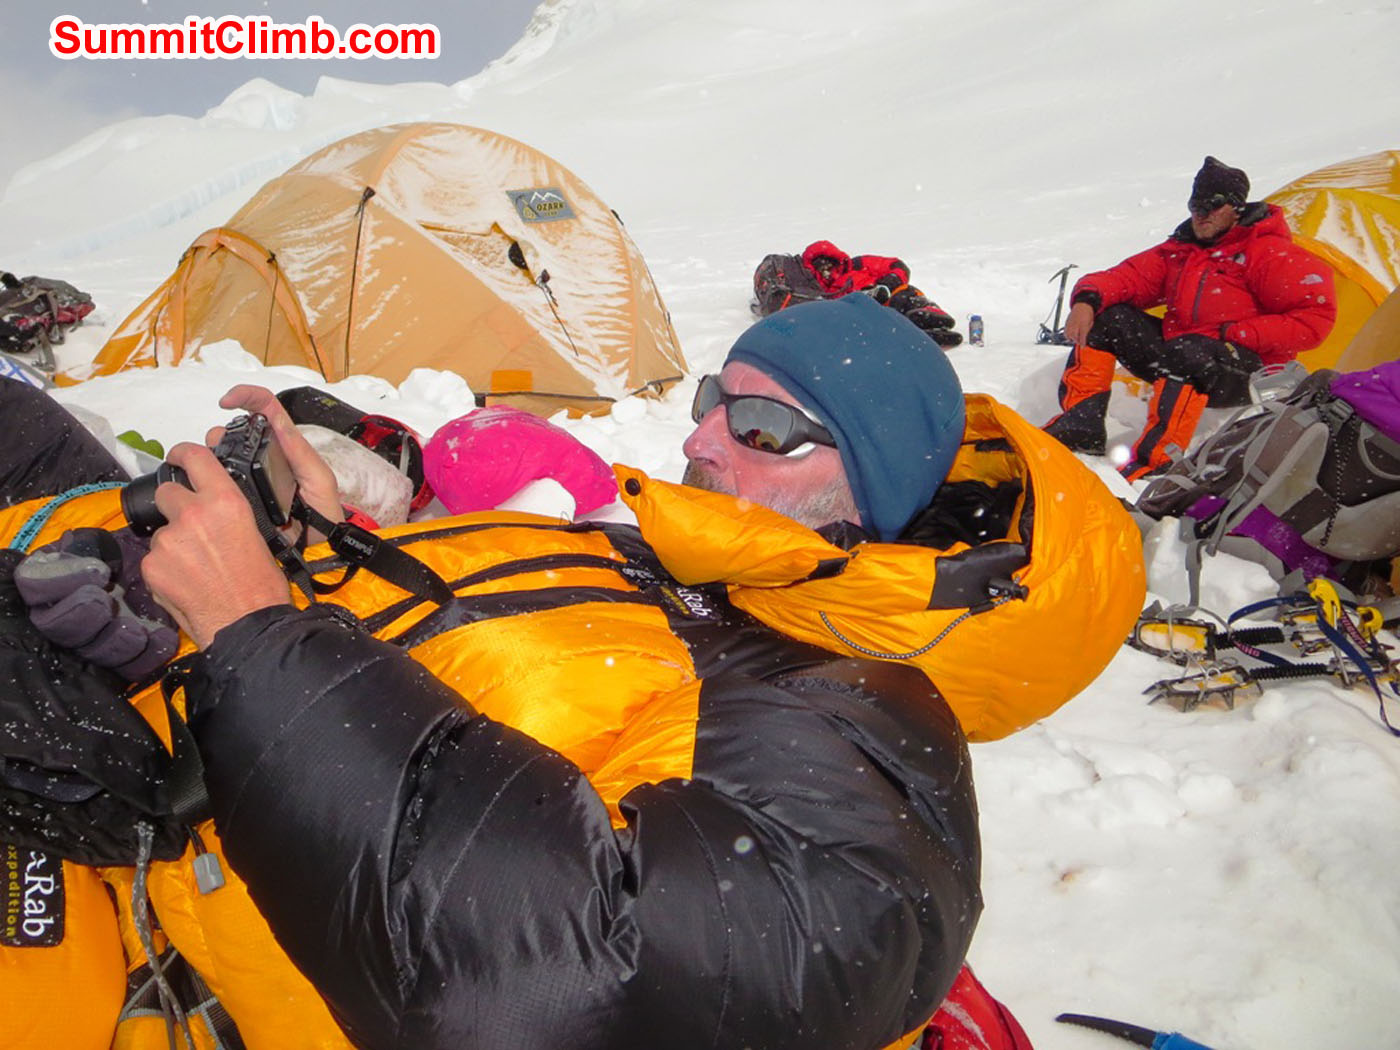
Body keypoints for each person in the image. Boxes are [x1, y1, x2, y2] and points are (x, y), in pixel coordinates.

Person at [3, 296, 1141, 1048]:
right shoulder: (685, 568)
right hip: (167, 779)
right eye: (712, 401)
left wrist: (259, 641)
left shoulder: (871, 724)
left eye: (762, 426)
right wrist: (328, 541)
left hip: (180, 957)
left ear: (872, 489)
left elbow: (581, 980)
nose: (700, 440)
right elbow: (477, 647)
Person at [1042, 156, 1336, 480]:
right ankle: (1081, 426)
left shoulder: (1267, 253)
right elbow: (1127, 278)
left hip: (1248, 371)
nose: (1201, 214)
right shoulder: (1182, 251)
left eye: (1212, 205)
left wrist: (1234, 332)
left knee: (1189, 351)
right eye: (1195, 205)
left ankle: (1158, 460)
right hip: (1183, 358)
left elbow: (1315, 320)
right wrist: (1086, 300)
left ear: (1236, 208)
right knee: (1109, 318)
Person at [795, 239, 964, 347]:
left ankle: (928, 316)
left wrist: (888, 283)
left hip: (888, 296)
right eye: (820, 266)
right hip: (866, 315)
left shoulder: (858, 264)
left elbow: (896, 266)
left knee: (903, 295)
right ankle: (916, 332)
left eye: (828, 263)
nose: (827, 269)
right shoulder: (826, 292)